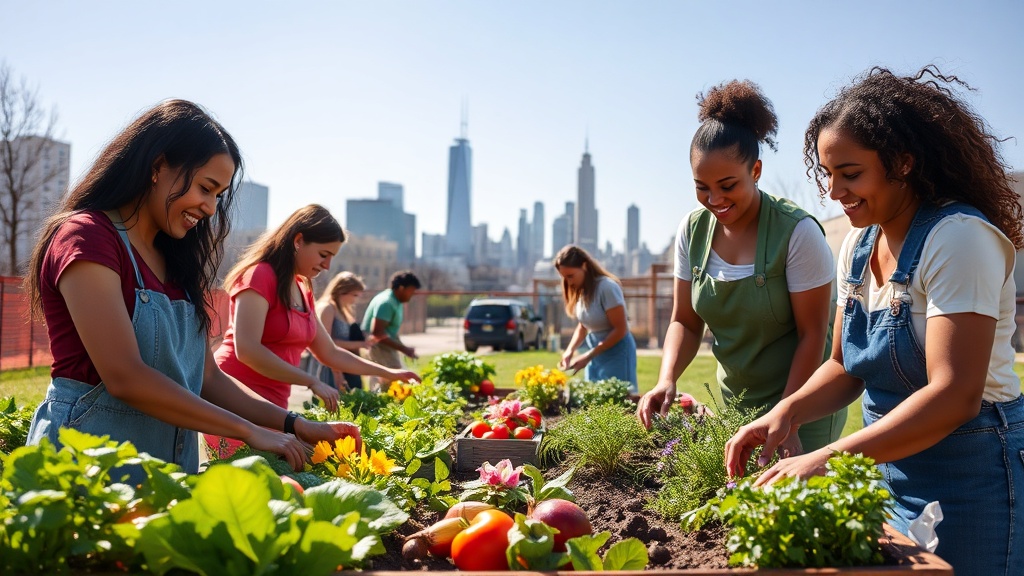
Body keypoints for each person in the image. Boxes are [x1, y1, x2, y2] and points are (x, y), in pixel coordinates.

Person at [724, 67, 1024, 576]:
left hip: (971, 476)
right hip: (884, 469)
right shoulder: (858, 248)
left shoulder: (959, 240)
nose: (834, 190)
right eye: (827, 173)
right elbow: (845, 365)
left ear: (903, 163)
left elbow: (955, 394)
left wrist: (827, 458)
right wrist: (788, 411)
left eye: (851, 172)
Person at [24, 100, 360, 483]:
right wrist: (250, 431)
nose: (210, 207)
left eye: (218, 195)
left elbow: (208, 378)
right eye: (206, 187)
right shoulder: (86, 237)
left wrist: (294, 423)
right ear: (157, 167)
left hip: (163, 476)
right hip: (83, 474)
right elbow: (124, 375)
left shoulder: (177, 262)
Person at [637, 80, 845, 455]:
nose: (714, 199)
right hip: (736, 406)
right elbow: (685, 320)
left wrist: (789, 416)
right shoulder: (692, 231)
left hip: (802, 406)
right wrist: (666, 379)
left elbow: (813, 336)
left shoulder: (797, 233)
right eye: (702, 187)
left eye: (727, 185)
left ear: (757, 170)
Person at [208, 205, 419, 454]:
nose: (328, 265)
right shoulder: (258, 275)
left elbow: (330, 353)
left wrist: (391, 373)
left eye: (332, 257)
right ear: (298, 241)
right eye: (323, 254)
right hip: (236, 400)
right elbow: (247, 350)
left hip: (275, 408)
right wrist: (310, 380)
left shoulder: (303, 288)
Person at [554, 245, 638, 392]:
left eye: (570, 276)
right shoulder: (583, 290)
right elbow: (583, 325)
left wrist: (588, 355)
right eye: (564, 277)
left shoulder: (607, 287)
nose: (568, 282)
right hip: (594, 352)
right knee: (593, 401)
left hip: (616, 352)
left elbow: (621, 329)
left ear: (584, 266)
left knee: (618, 401)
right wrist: (569, 351)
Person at [305, 271, 373, 390]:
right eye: (355, 295)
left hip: (339, 364)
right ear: (343, 291)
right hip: (329, 368)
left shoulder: (341, 309)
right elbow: (325, 344)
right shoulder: (327, 308)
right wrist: (337, 373)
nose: (355, 300)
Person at [362, 270, 421, 392]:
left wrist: (404, 348)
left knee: (392, 383)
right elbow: (377, 333)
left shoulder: (395, 301)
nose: (413, 294)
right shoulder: (386, 303)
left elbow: (390, 331)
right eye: (411, 290)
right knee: (386, 385)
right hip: (379, 348)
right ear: (401, 288)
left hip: (386, 347)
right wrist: (403, 349)